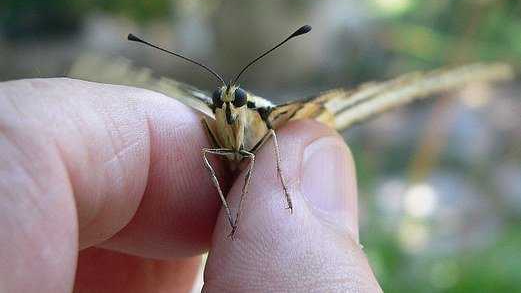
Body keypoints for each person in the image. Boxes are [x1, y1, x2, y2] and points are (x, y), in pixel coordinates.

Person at [0, 78, 382, 292]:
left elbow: (263, 145)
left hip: (258, 162)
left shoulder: (265, 120)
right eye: (221, 102)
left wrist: (284, 182)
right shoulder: (209, 122)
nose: (227, 110)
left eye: (236, 103)